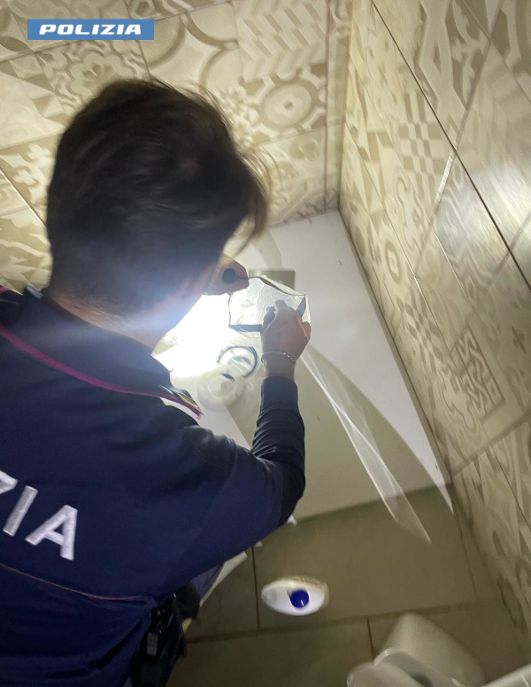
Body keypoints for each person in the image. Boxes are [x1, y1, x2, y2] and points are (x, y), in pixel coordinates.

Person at [0, 79, 310, 687]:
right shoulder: (193, 484)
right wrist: (279, 363)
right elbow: (281, 481)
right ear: (189, 282)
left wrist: (186, 275)